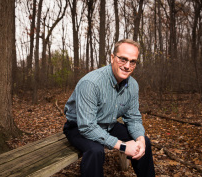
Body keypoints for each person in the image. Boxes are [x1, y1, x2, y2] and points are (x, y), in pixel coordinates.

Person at [63, 39, 155, 177]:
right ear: (112, 58)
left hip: (108, 124)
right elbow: (87, 127)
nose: (127, 66)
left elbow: (133, 118)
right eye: (123, 59)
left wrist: (140, 140)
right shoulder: (91, 83)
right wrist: (123, 146)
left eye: (133, 61)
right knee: (95, 150)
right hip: (79, 126)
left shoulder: (133, 85)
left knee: (144, 142)